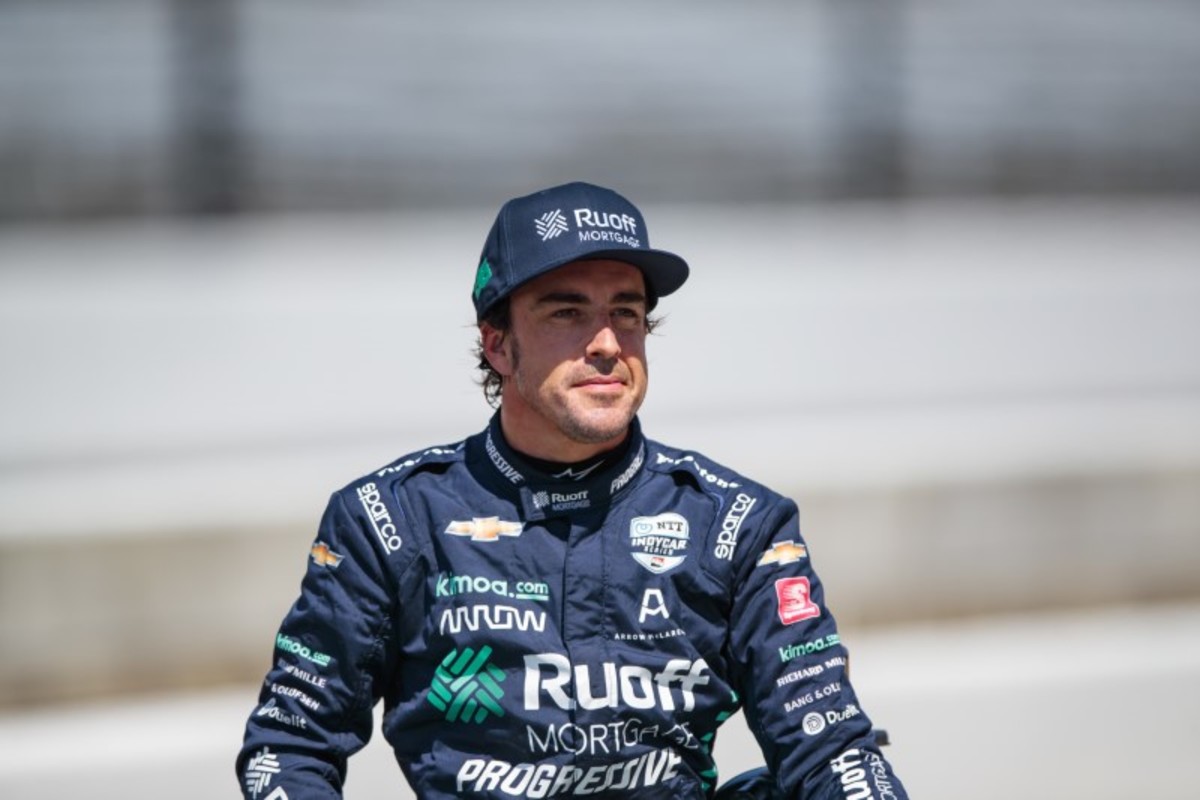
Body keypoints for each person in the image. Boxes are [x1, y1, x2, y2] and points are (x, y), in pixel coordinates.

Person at [236, 181, 908, 799]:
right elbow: (289, 747)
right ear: (498, 345)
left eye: (627, 312)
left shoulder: (737, 523)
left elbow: (831, 750)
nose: (608, 343)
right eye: (567, 312)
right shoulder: (390, 519)